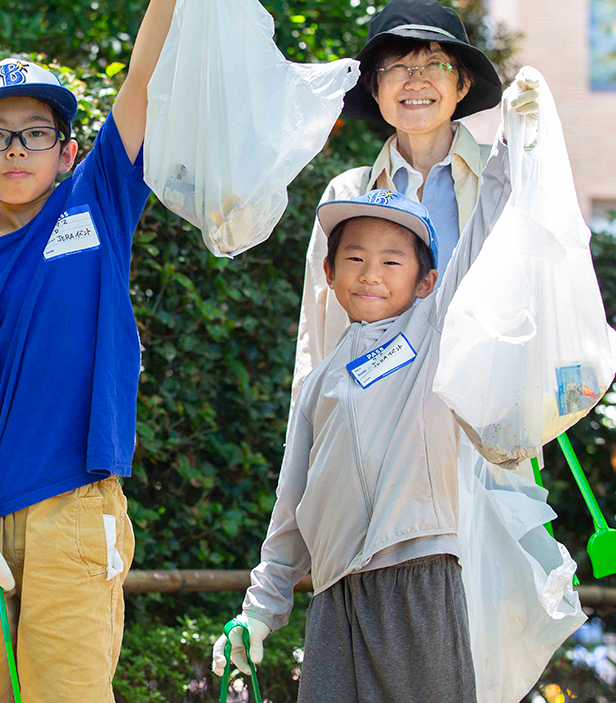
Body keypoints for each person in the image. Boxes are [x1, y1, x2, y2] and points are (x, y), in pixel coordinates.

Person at [0, 0, 237, 701]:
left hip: (75, 515)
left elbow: (145, 80)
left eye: (36, 134)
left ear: (67, 149)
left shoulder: (96, 206)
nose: (17, 149)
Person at [211, 71, 546, 701]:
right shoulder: (321, 384)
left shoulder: (435, 335)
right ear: (330, 278)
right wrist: (261, 609)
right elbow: (294, 501)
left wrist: (515, 147)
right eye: (354, 259)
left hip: (422, 576)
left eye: (392, 260)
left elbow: (481, 242)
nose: (370, 273)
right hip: (337, 590)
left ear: (425, 281)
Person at [291, 0, 538, 396]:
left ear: (463, 84)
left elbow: (537, 301)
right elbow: (316, 329)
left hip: (475, 412)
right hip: (370, 419)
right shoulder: (348, 194)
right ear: (374, 87)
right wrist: (310, 434)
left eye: (436, 65)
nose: (416, 81)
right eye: (396, 67)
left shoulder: (506, 184)